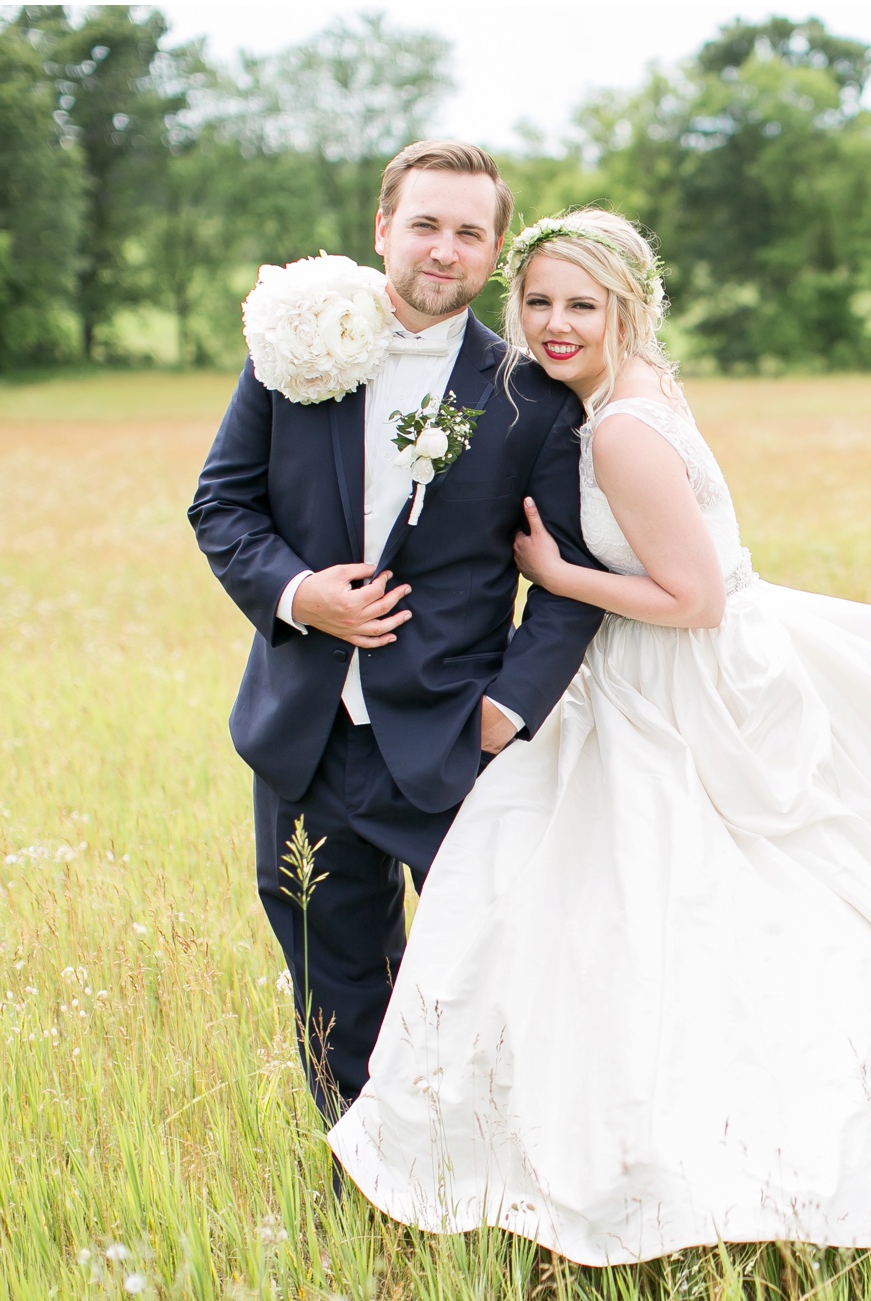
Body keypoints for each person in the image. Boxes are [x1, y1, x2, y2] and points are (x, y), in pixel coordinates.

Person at [328, 208, 871, 1265]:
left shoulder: (624, 429)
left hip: (665, 681)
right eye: (537, 300)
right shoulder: (635, 388)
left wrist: (554, 577)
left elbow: (689, 599)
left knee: (680, 909)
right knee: (682, 908)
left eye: (580, 305)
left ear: (625, 308)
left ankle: (723, 1157)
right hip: (676, 670)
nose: (552, 323)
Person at [188, 141, 605, 1120]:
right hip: (302, 736)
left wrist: (506, 707)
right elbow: (223, 507)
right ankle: (365, 1188)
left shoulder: (530, 400)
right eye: (424, 224)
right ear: (383, 230)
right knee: (333, 989)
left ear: (494, 250)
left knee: (485, 980)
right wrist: (300, 594)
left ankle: (490, 1179)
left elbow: (568, 582)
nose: (443, 249)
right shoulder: (294, 352)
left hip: (453, 739)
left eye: (469, 231)